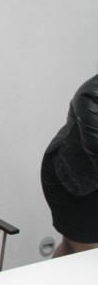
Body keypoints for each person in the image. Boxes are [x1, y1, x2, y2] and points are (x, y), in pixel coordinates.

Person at [41, 73, 98, 258]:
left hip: (91, 177)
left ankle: (51, 278)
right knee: (89, 259)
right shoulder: (90, 96)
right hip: (71, 181)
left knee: (70, 250)